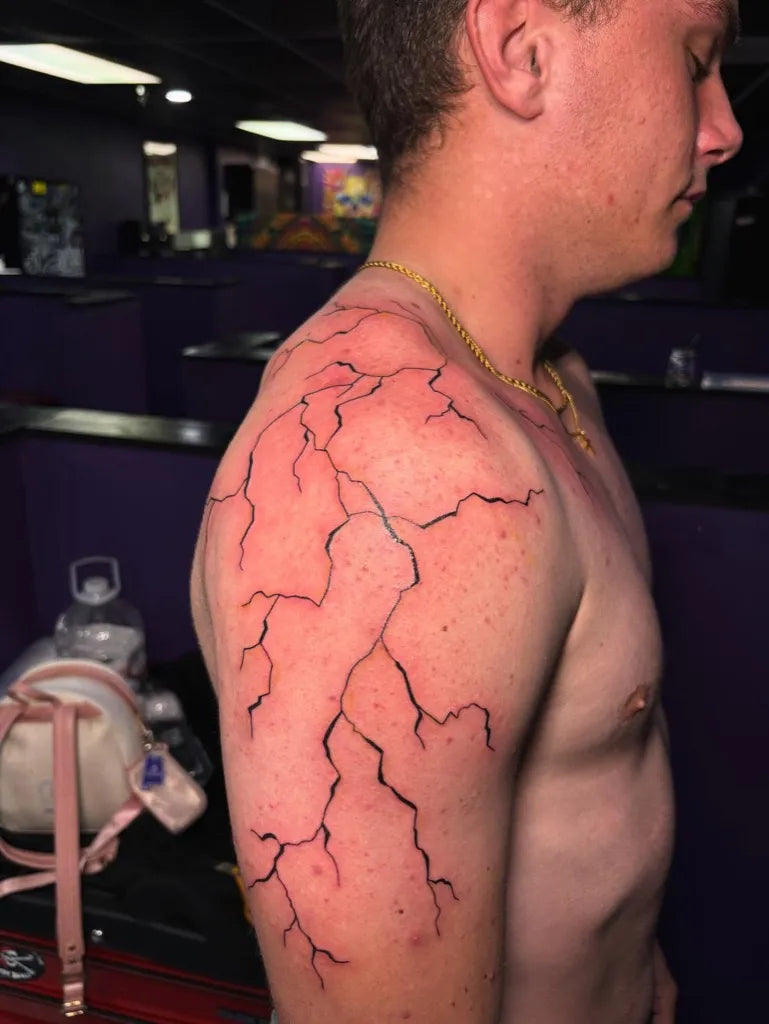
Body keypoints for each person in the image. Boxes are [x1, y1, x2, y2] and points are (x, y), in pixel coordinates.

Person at [190, 0, 743, 1020]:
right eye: (694, 60)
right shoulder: (397, 460)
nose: (724, 129)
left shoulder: (549, 378)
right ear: (521, 51)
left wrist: (631, 970)